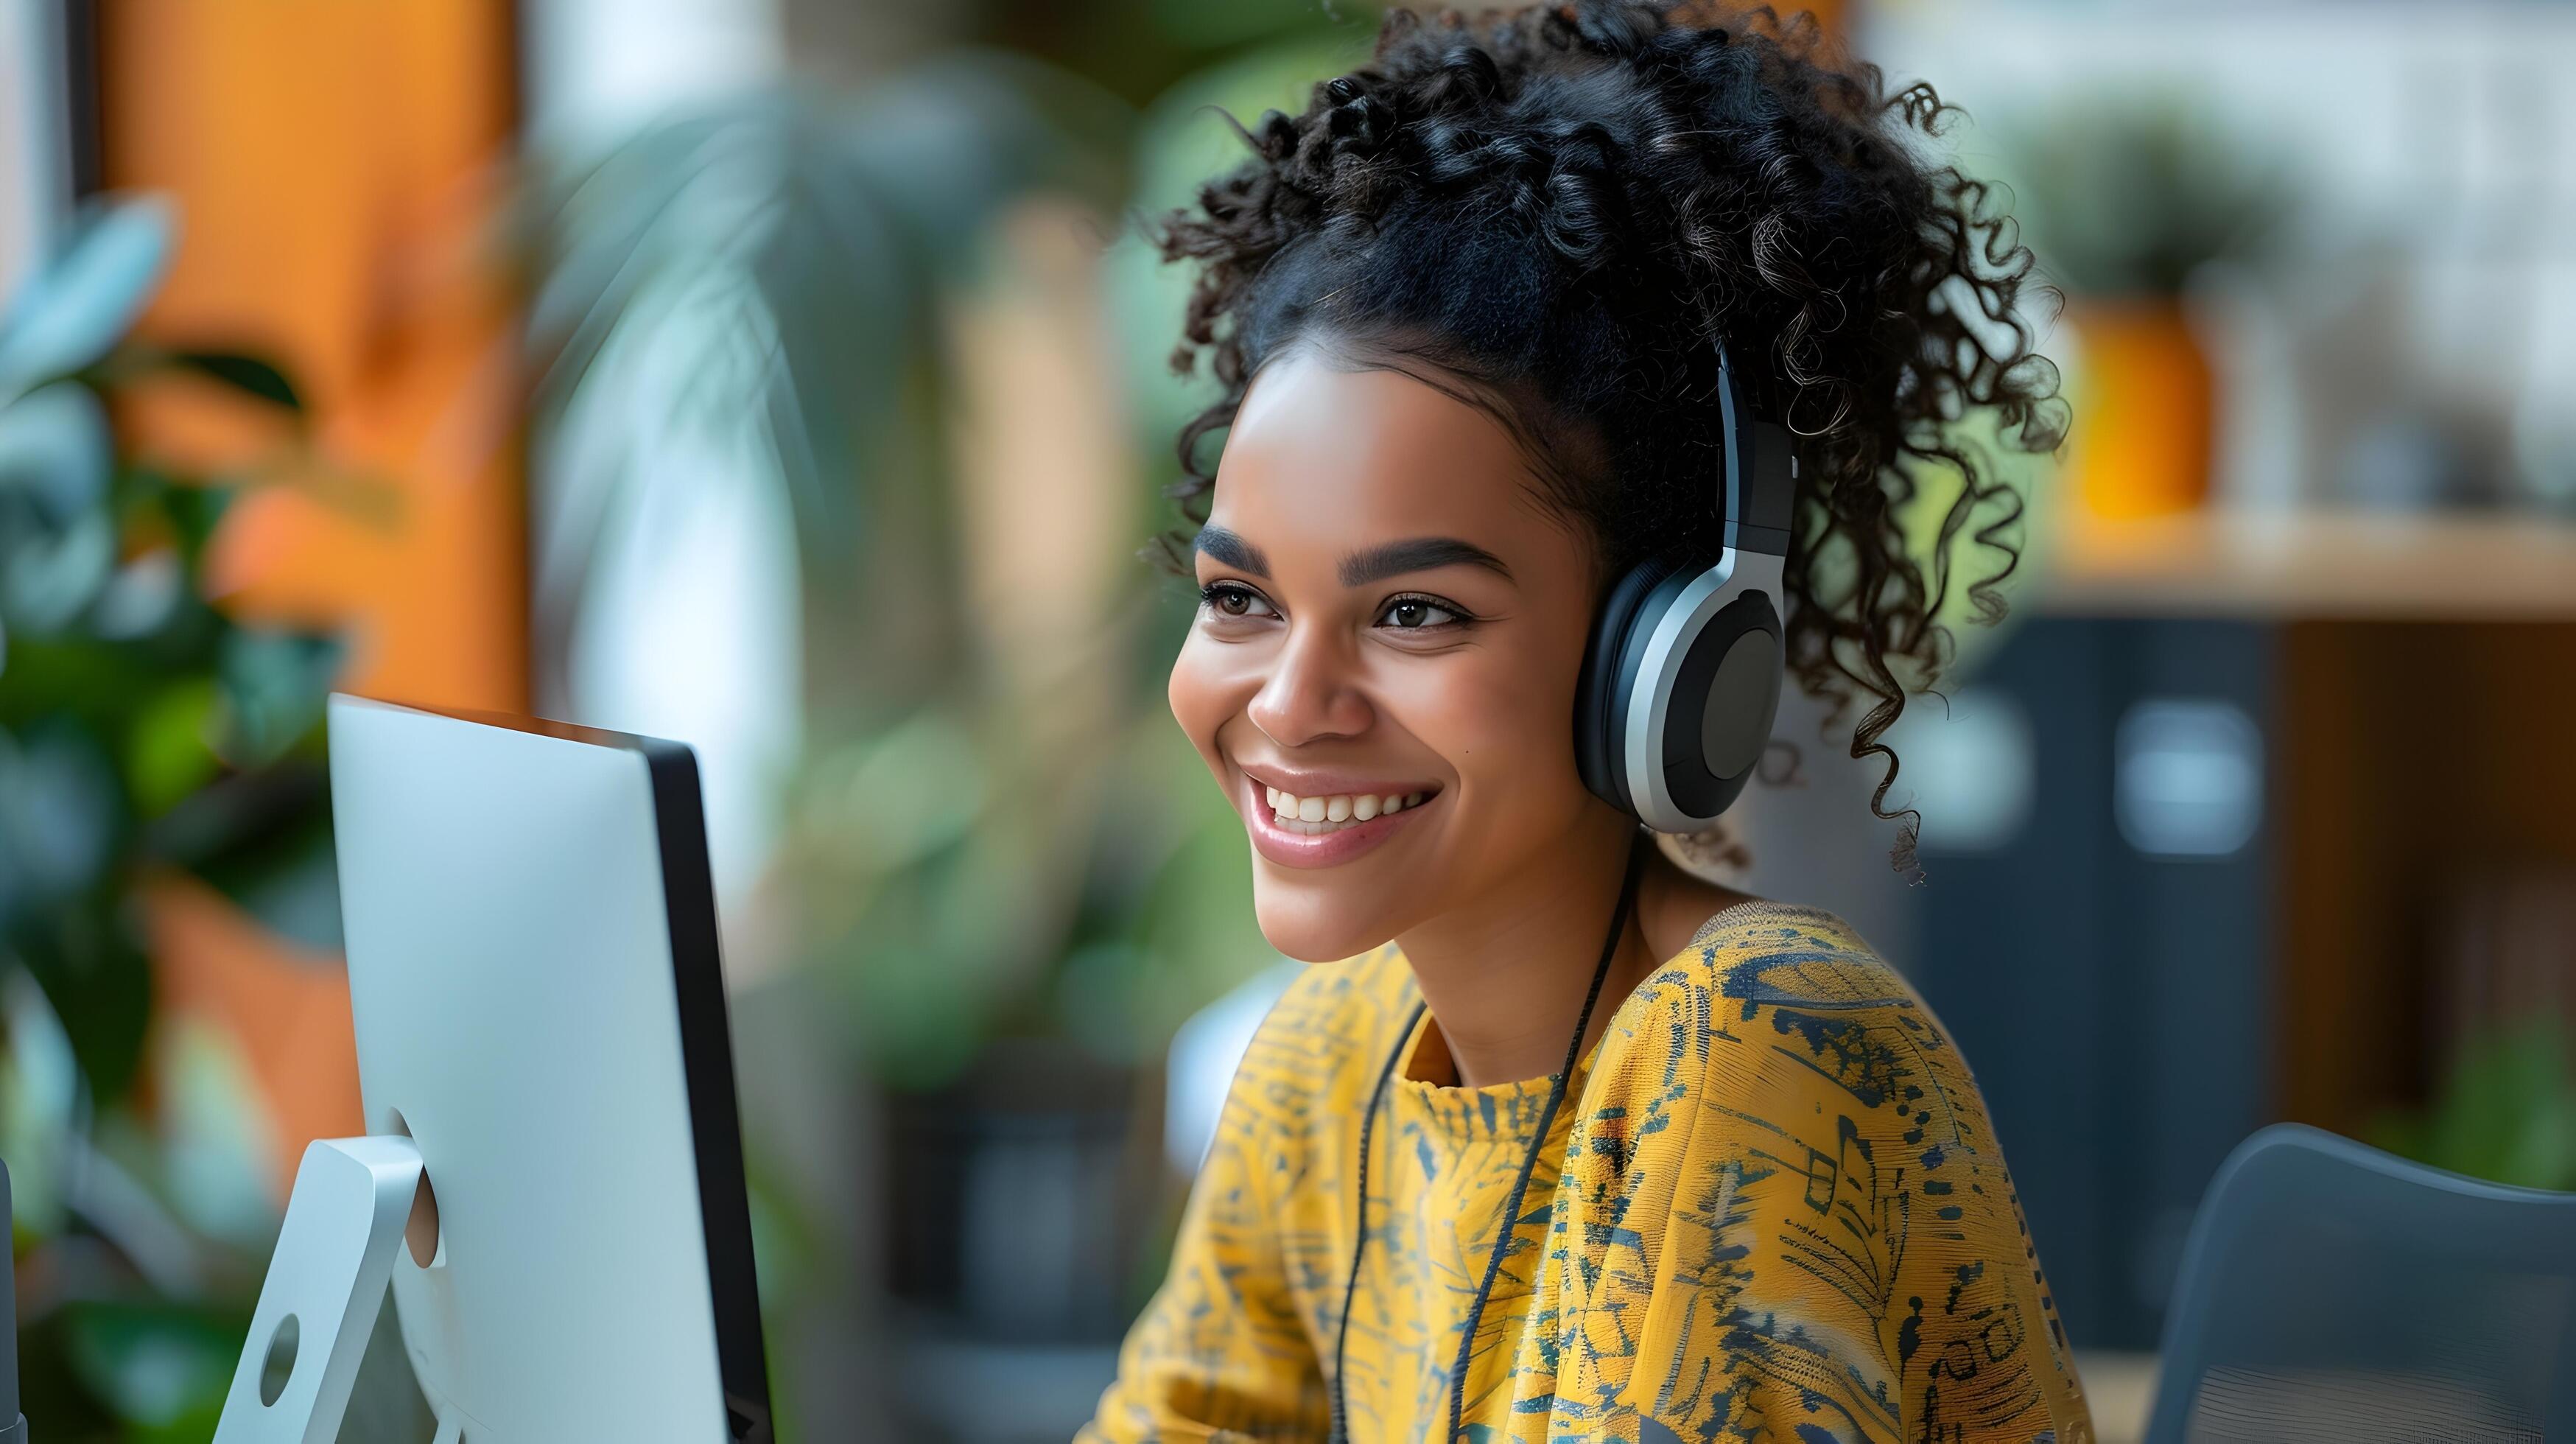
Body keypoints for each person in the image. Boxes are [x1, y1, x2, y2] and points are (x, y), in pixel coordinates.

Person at [1082, 4, 2088, 1440]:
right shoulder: (1330, 1064)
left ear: (1669, 658)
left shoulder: (1755, 1049)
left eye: (1416, 612)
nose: (1290, 704)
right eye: (1243, 595)